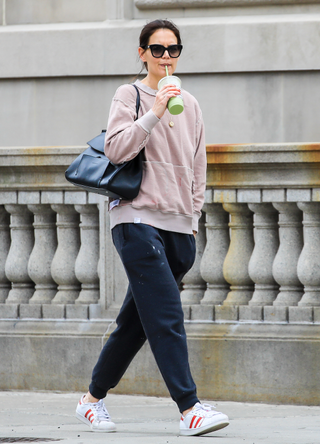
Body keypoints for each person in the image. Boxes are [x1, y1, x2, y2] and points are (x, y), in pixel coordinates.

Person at [75, 19, 229, 437]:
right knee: (165, 314)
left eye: (173, 50)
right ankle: (189, 407)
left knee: (138, 321)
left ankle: (92, 400)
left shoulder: (192, 104)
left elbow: (199, 166)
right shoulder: (129, 95)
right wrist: (156, 110)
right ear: (142, 53)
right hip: (136, 218)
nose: (165, 57)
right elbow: (116, 147)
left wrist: (193, 220)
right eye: (157, 50)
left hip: (179, 228)